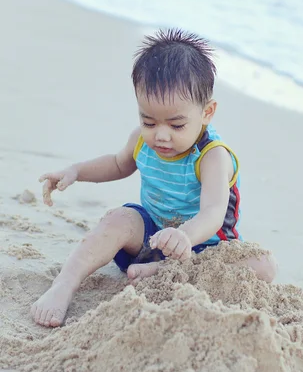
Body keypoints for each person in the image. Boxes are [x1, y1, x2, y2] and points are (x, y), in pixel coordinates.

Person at [31, 28, 277, 327]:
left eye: (176, 124)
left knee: (263, 265)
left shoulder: (213, 156)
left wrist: (184, 235)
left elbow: (213, 212)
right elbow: (118, 164)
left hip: (203, 250)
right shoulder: (142, 140)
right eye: (148, 120)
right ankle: (64, 284)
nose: (160, 134)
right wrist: (76, 171)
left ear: (207, 112)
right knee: (117, 219)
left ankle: (161, 273)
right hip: (150, 239)